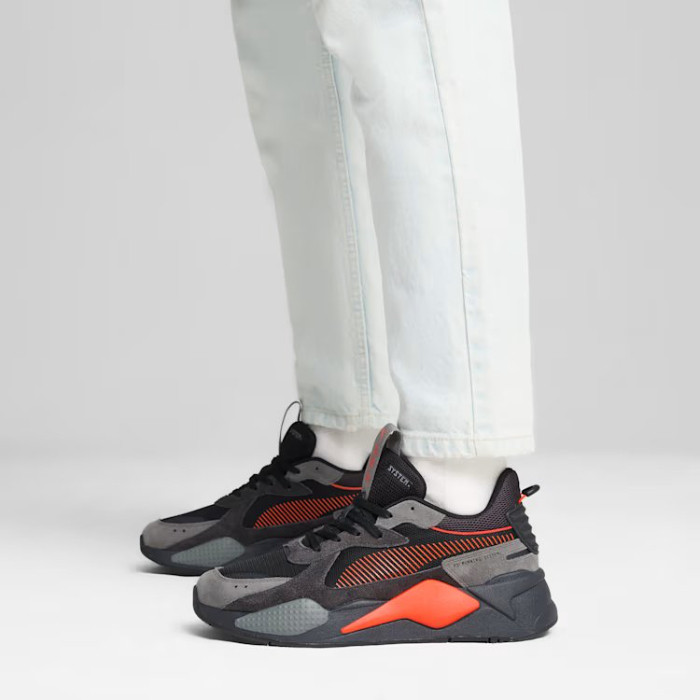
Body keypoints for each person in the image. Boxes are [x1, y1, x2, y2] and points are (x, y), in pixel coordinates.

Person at [141, 0, 557, 645]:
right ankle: (342, 447)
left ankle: (459, 502)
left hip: (460, 519)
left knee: (409, 27)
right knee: (290, 50)